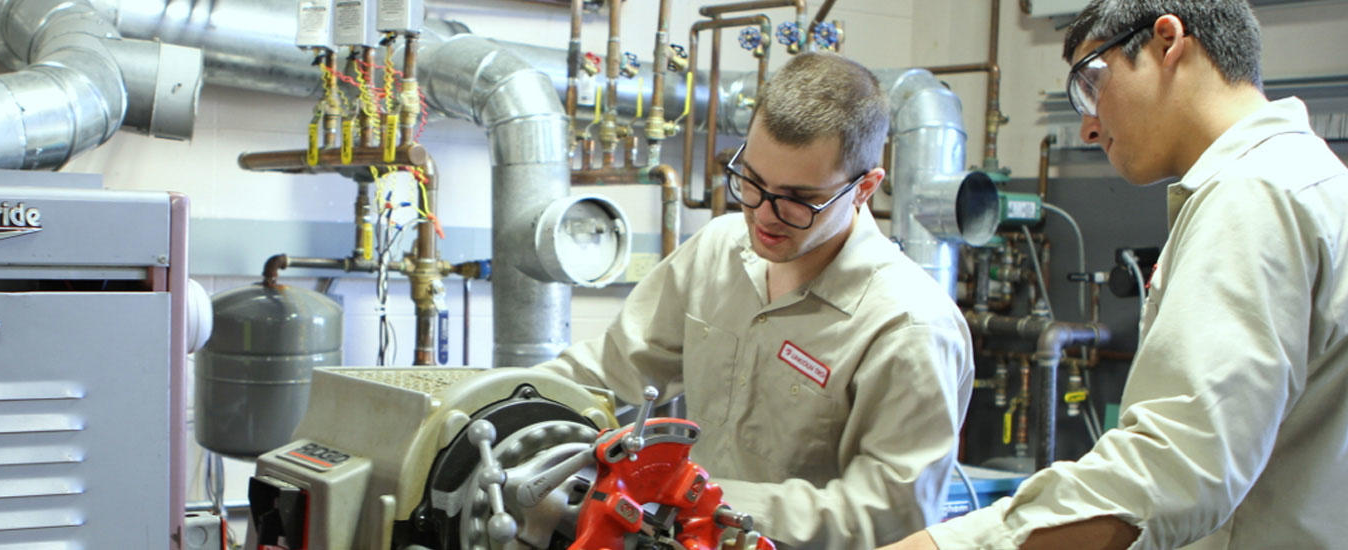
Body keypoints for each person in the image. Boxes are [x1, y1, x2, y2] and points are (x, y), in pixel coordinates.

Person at [884, 1, 1348, 549]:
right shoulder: (1313, 177)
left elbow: (1174, 468)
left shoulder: (1250, 196)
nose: (1086, 126)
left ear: (1167, 42)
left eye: (1089, 83)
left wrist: (950, 546)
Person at [533, 50, 974, 548]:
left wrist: (696, 497)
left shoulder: (909, 326)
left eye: (798, 198)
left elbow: (890, 514)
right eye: (752, 181)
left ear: (864, 189)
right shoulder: (717, 251)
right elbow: (606, 371)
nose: (764, 214)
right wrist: (498, 405)